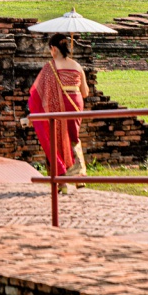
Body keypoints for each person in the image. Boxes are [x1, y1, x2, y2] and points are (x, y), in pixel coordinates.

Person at [28, 32, 89, 185]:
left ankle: (60, 179)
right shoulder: (77, 66)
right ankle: (79, 177)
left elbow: (37, 93)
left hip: (57, 108)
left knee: (55, 139)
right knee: (74, 138)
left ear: (53, 49)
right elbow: (85, 93)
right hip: (75, 105)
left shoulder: (50, 67)